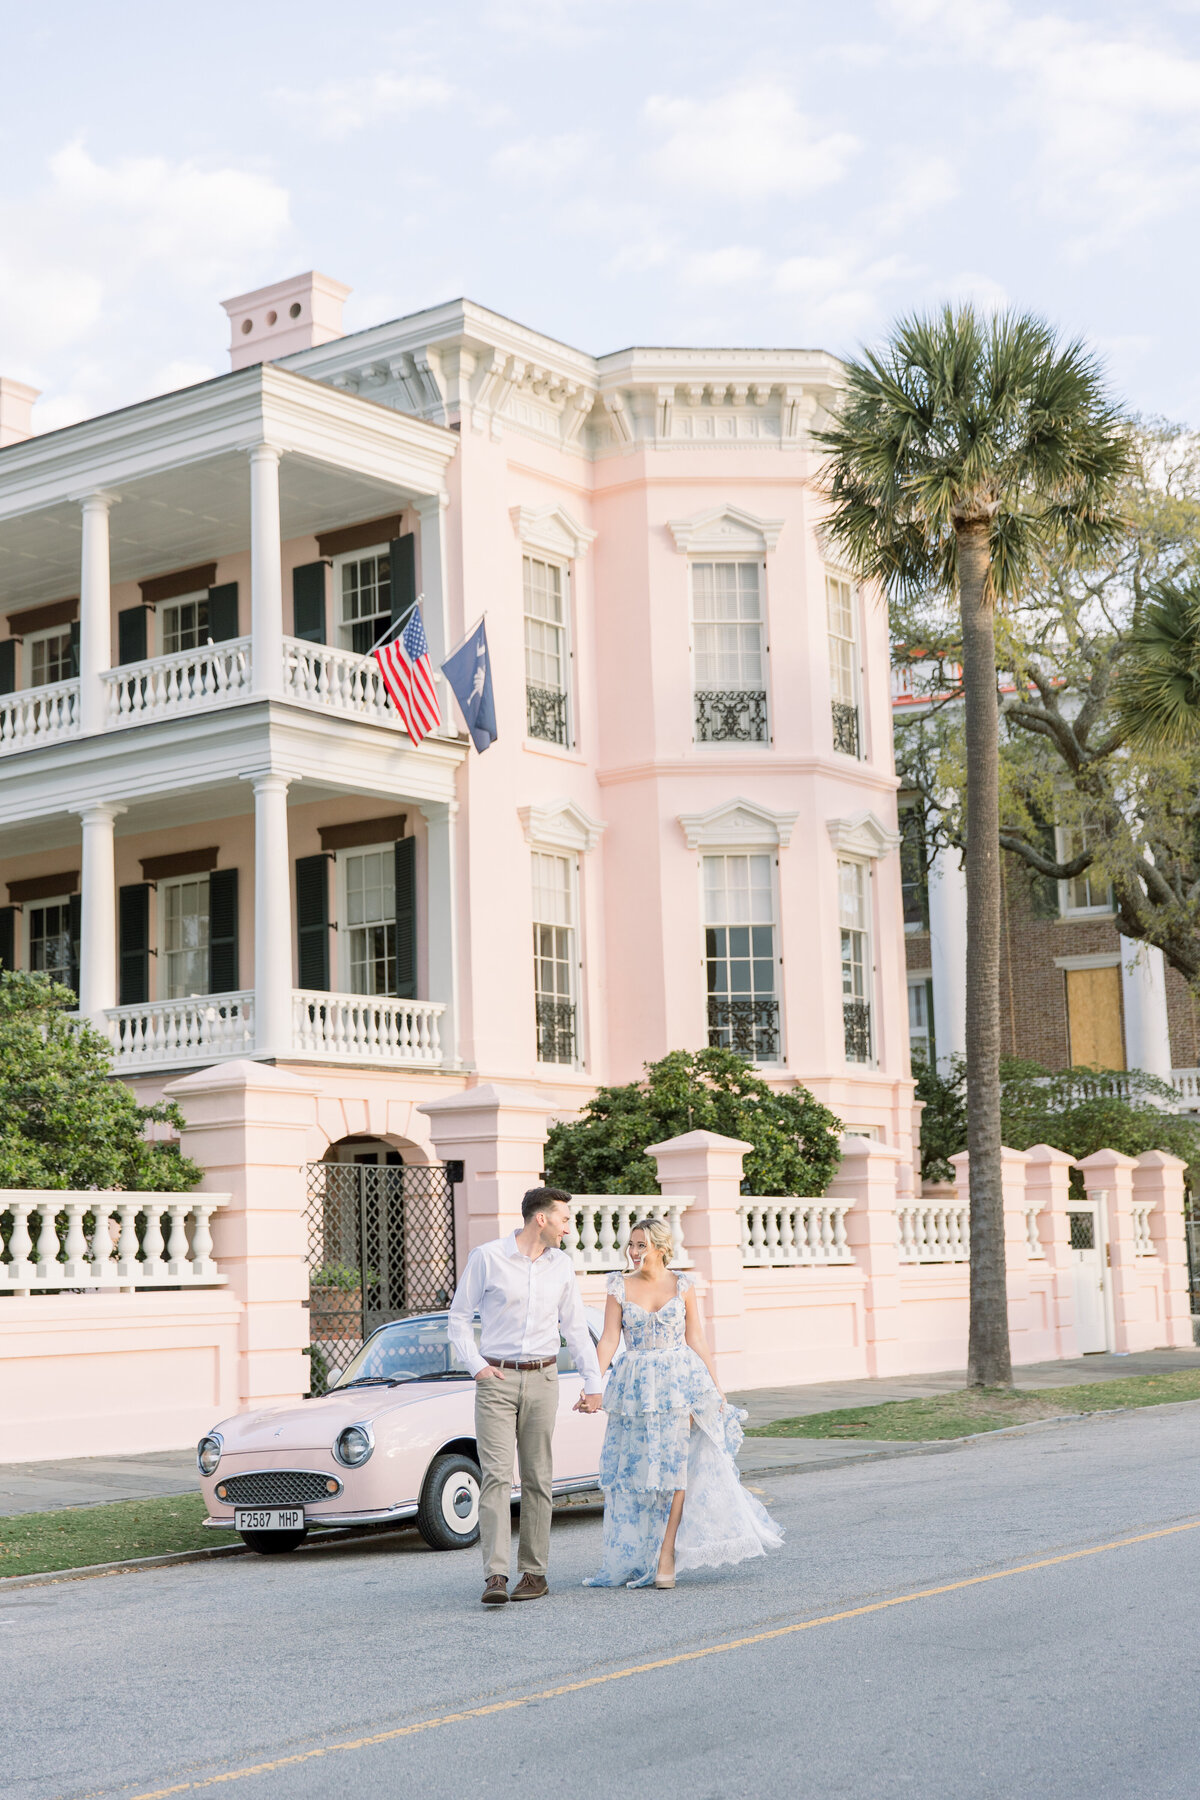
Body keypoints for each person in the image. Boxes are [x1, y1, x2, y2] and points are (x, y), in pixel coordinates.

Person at [582, 1216, 781, 1590]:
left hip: (680, 1383)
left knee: (675, 1468)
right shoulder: (618, 1286)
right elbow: (609, 1340)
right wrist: (593, 1384)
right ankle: (637, 1552)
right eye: (631, 1244)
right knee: (638, 1471)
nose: (634, 1251)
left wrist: (716, 1388)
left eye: (641, 1245)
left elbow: (697, 1340)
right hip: (635, 1389)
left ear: (660, 1247)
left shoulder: (683, 1284)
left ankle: (667, 1553)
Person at [448, 1186, 602, 1606]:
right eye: (565, 1219)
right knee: (496, 1476)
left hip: (544, 1378)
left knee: (538, 1478)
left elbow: (574, 1328)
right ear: (542, 1219)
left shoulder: (561, 1266)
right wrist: (477, 1366)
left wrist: (593, 1383)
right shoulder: (488, 1257)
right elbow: (459, 1318)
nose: (569, 1227)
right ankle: (495, 1575)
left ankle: (534, 1574)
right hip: (496, 1380)